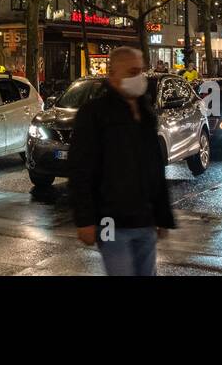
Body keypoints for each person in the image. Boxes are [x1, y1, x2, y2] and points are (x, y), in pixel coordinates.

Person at [68, 46, 175, 276]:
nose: (139, 78)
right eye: (132, 72)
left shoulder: (145, 114)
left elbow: (154, 167)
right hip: (110, 221)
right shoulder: (94, 113)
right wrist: (85, 219)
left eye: (140, 71)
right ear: (114, 76)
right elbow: (80, 168)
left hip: (144, 219)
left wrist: (162, 214)